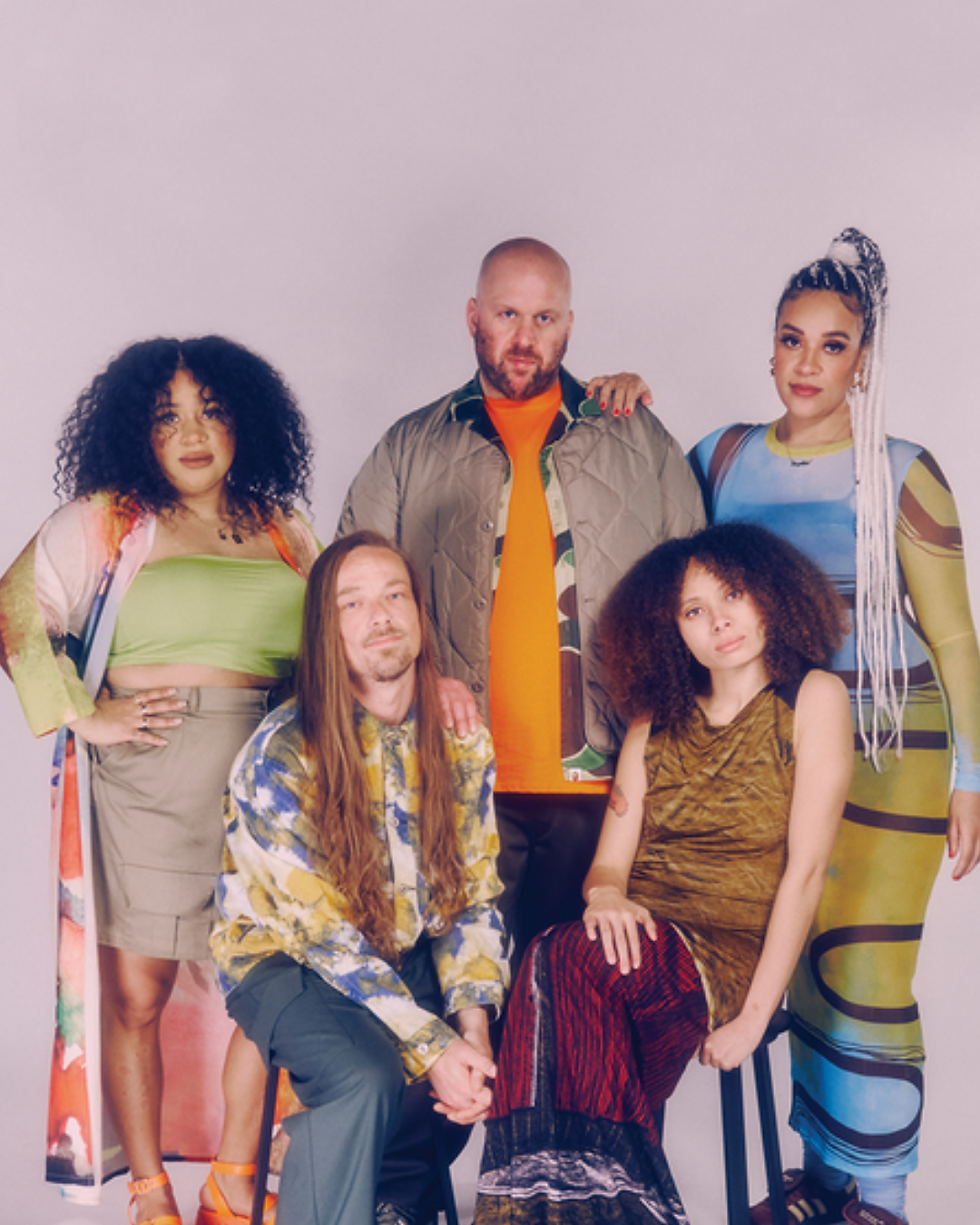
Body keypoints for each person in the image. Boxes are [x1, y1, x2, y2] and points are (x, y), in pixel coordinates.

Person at [689, 229, 980, 1225]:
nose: (808, 362)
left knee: (862, 969)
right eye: (791, 339)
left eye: (832, 344)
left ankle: (882, 1199)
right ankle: (821, 1186)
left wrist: (971, 778)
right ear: (767, 351)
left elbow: (950, 631)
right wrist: (615, 398)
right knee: (793, 955)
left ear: (863, 360)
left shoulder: (900, 470)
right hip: (771, 748)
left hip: (892, 743)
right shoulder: (719, 458)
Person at [0, 336, 319, 1225]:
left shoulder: (284, 525)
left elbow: (336, 635)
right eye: (166, 414)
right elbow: (16, 608)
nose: (191, 433)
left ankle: (230, 1177)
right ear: (135, 432)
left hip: (267, 786)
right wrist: (86, 712)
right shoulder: (106, 519)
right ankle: (148, 1190)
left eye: (211, 410)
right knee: (137, 992)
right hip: (143, 779)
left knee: (268, 988)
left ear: (243, 422)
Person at [338, 237, 705, 967]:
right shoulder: (409, 448)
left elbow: (701, 597)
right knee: (469, 1006)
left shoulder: (637, 438)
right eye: (508, 313)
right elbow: (341, 600)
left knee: (589, 1015)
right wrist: (417, 682)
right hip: (456, 777)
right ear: (472, 316)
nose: (524, 337)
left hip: (607, 785)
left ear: (569, 325)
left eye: (544, 318)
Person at [474, 521, 852, 1225]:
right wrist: (608, 895)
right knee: (569, 976)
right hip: (632, 945)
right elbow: (609, 865)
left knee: (553, 957)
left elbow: (805, 873)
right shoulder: (654, 719)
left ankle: (521, 1209)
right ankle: (607, 1207)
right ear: (670, 627)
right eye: (694, 610)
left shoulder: (812, 698)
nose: (720, 622)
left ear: (770, 594)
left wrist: (755, 1017)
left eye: (732, 595)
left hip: (724, 951)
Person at [210, 530, 509, 1225]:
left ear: (417, 613)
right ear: (326, 629)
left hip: (394, 950)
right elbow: (323, 935)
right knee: (362, 1075)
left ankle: (390, 1201)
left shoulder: (459, 735)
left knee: (493, 1056)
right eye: (353, 602)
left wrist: (474, 1033)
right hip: (283, 963)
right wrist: (435, 1047)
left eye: (394, 594)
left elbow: (471, 895)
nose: (380, 615)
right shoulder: (281, 752)